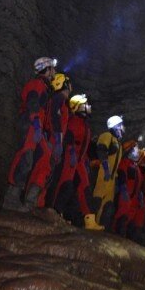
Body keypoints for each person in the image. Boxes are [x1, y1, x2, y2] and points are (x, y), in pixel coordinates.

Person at [3, 56, 57, 211]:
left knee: (43, 158)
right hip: (30, 123)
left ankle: (30, 201)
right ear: (46, 69)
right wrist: (35, 124)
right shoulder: (36, 84)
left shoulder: (44, 87)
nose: (54, 71)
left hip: (36, 125)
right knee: (25, 157)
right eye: (52, 68)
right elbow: (32, 104)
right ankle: (11, 198)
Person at [49, 93, 95, 225]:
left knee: (83, 188)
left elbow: (82, 144)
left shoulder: (84, 124)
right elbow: (70, 139)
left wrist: (84, 158)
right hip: (69, 158)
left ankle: (88, 219)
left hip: (78, 160)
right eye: (85, 104)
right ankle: (53, 211)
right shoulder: (74, 121)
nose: (88, 106)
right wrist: (72, 152)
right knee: (64, 184)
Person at [30, 71, 71, 208]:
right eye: (68, 84)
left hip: (54, 140)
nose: (70, 87)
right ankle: (32, 201)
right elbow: (54, 119)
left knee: (48, 173)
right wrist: (58, 142)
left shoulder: (62, 102)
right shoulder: (58, 99)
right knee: (45, 169)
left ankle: (38, 203)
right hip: (52, 140)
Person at [93, 115, 124, 230]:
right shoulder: (107, 136)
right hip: (103, 173)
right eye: (120, 126)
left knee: (108, 204)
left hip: (111, 178)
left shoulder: (118, 143)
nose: (122, 128)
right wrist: (106, 169)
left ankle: (102, 226)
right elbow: (101, 150)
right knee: (97, 198)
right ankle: (90, 222)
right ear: (115, 126)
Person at [113, 138, 143, 239]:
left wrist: (139, 194)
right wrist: (123, 188)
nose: (137, 152)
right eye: (135, 149)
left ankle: (121, 237)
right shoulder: (125, 162)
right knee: (121, 217)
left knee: (126, 219)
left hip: (131, 199)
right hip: (124, 196)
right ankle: (115, 236)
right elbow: (121, 174)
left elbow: (138, 184)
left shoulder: (137, 168)